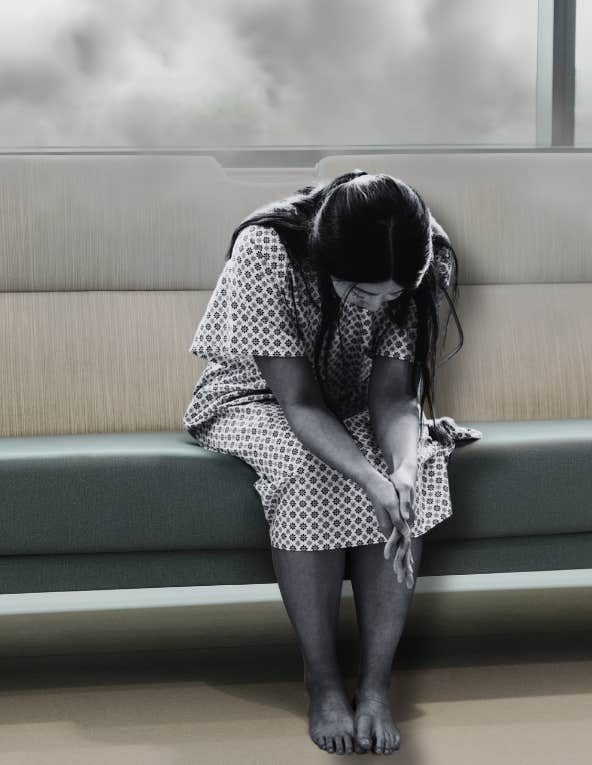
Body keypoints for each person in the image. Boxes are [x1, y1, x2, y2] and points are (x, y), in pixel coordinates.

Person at [183, 170, 482, 755]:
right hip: (256, 397)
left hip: (353, 402)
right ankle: (321, 681)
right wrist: (367, 476)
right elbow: (297, 402)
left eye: (391, 297)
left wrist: (401, 472)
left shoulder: (423, 258)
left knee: (414, 472)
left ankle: (374, 686)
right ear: (326, 260)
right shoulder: (267, 250)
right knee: (307, 472)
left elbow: (395, 397)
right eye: (361, 293)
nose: (376, 307)